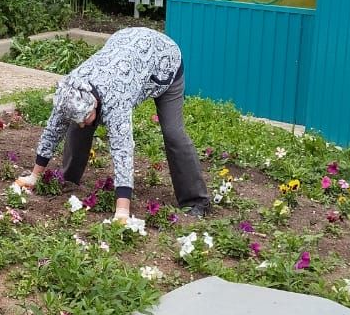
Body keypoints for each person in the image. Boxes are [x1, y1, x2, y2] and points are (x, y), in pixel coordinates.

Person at [15, 27, 210, 221]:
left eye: (87, 116)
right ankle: (69, 179)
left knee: (173, 132)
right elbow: (53, 129)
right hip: (126, 45)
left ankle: (196, 200)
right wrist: (34, 176)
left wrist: (122, 211)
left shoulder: (117, 99)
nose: (83, 124)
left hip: (163, 62)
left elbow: (122, 150)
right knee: (78, 124)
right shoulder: (71, 90)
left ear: (96, 104)